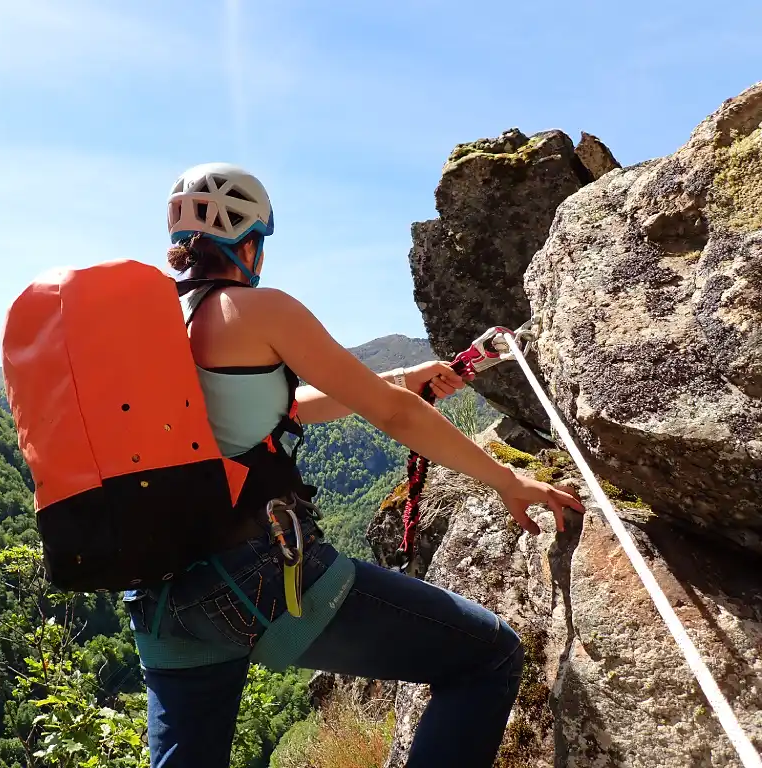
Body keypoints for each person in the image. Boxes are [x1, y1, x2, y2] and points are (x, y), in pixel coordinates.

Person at [122, 162, 585, 768]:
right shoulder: (257, 310)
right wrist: (508, 479)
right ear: (251, 239)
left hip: (164, 590)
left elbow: (280, 407)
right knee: (486, 656)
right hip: (255, 576)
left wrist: (398, 378)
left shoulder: (159, 323)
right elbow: (393, 417)